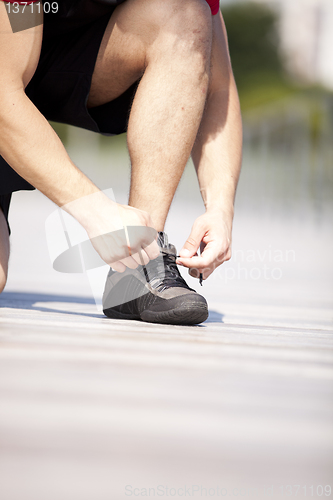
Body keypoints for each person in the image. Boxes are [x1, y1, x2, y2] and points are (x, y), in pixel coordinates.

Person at [0, 0, 242, 325]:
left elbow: (218, 89)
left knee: (184, 10)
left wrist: (220, 209)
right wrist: (96, 211)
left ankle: (140, 269)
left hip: (59, 61)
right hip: (7, 65)